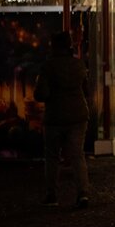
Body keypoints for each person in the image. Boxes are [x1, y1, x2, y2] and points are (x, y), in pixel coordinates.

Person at [34, 31, 90, 208]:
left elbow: (41, 94)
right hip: (78, 115)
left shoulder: (48, 67)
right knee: (77, 155)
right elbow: (87, 90)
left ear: (53, 46)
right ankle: (82, 193)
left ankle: (51, 194)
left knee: (51, 156)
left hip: (55, 116)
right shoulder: (78, 64)